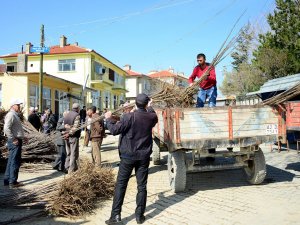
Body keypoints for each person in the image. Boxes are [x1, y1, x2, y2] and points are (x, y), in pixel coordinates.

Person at [104, 93, 158, 225]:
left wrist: (108, 119)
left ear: (136, 104)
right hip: (143, 157)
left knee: (121, 185)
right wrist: (150, 106)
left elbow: (114, 130)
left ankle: (115, 216)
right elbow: (152, 113)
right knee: (142, 186)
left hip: (128, 156)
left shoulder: (129, 117)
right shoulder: (152, 117)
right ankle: (140, 216)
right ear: (146, 104)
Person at [3, 98, 26, 188]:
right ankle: (13, 182)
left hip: (16, 139)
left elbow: (15, 129)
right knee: (15, 161)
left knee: (11, 160)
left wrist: (23, 137)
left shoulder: (14, 115)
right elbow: (6, 128)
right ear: (13, 106)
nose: (19, 106)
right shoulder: (11, 115)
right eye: (18, 105)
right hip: (15, 141)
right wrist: (13, 139)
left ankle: (7, 180)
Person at [64, 103, 81, 173]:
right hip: (73, 137)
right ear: (77, 108)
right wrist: (69, 133)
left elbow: (64, 125)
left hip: (65, 136)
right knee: (73, 153)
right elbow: (75, 128)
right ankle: (71, 170)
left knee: (68, 153)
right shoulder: (77, 115)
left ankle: (66, 167)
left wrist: (66, 133)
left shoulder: (67, 114)